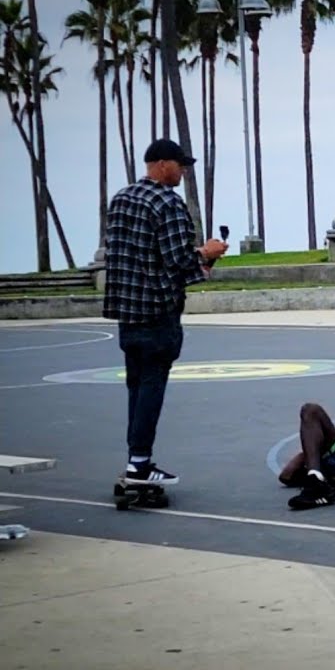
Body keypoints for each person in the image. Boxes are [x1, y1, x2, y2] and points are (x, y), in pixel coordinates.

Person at [103, 138, 228, 487]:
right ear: (160, 164)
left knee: (136, 387)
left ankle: (135, 460)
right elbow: (180, 261)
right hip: (158, 311)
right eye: (179, 164)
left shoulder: (121, 199)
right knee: (152, 387)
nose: (184, 170)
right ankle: (140, 464)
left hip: (128, 312)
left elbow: (126, 253)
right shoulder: (167, 203)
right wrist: (208, 253)